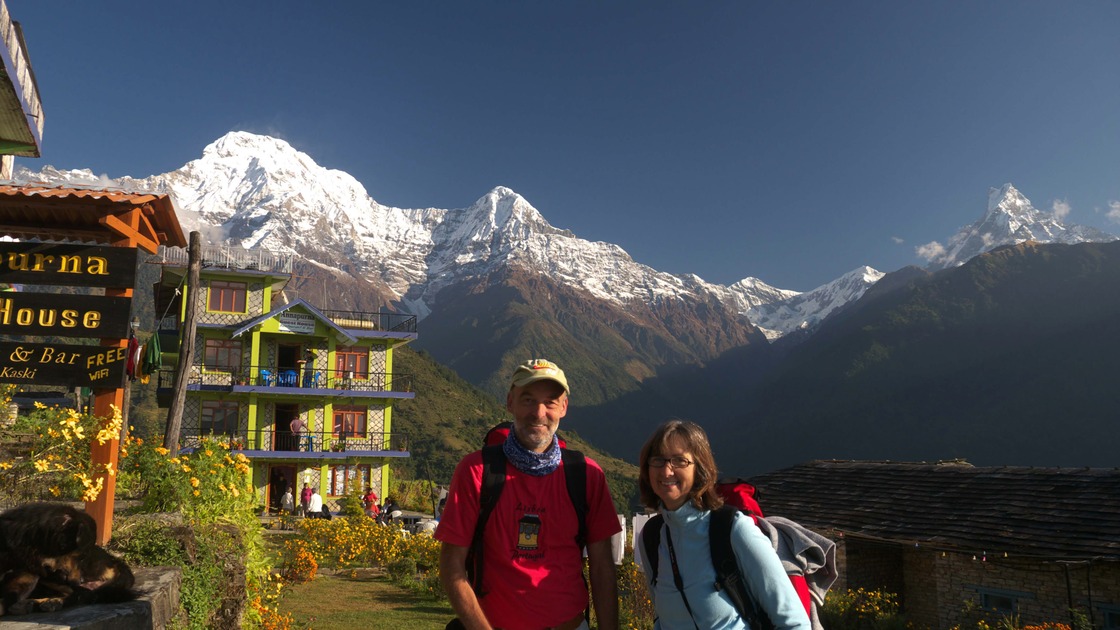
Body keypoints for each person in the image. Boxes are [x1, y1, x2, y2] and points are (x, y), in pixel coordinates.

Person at [435, 359, 621, 630]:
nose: (539, 412)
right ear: (510, 403)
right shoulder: (476, 471)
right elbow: (452, 566)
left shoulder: (587, 475)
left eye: (550, 402)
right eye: (528, 400)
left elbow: (602, 568)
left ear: (564, 408)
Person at [636, 420, 810, 630]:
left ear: (699, 469)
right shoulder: (652, 537)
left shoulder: (733, 530)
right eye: (658, 460)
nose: (666, 471)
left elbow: (794, 622)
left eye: (679, 461)